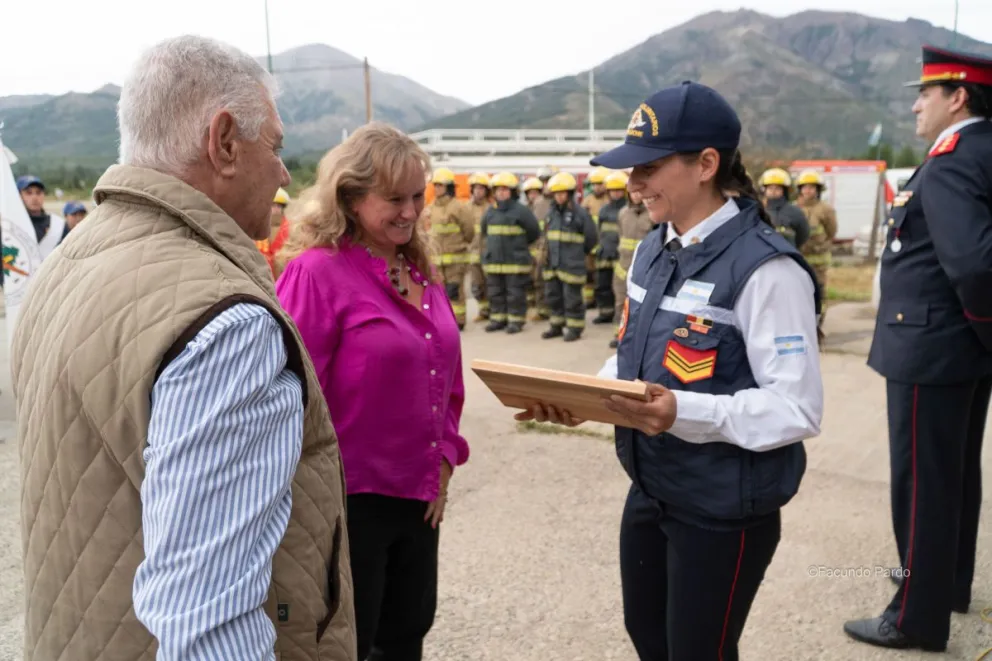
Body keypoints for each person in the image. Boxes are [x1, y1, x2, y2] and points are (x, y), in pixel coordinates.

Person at [10, 35, 357, 661]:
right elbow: (209, 623)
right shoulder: (224, 322)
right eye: (274, 147)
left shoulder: (64, 267)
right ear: (224, 142)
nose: (283, 174)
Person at [516, 81, 824, 660]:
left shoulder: (767, 271)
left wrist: (681, 411)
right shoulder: (654, 248)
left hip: (721, 510)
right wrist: (584, 398)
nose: (632, 184)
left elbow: (797, 408)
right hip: (654, 487)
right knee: (649, 636)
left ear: (706, 164)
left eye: (649, 167)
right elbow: (631, 357)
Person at [274, 122, 470, 661]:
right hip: (348, 501)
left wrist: (445, 459)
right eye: (394, 199)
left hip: (419, 495)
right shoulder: (317, 274)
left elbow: (444, 379)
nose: (410, 211)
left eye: (416, 197)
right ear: (352, 198)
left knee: (407, 635)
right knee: (348, 643)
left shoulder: (419, 269)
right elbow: (287, 394)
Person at [844, 44, 992, 652]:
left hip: (932, 344)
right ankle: (945, 583)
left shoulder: (956, 157)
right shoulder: (982, 150)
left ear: (957, 98)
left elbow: (975, 265)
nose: (914, 106)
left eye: (924, 94)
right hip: (959, 346)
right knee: (953, 475)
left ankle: (915, 615)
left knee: (923, 484)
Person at [481, 171, 542, 334]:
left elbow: (534, 232)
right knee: (495, 292)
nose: (501, 193)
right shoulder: (490, 212)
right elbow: (484, 231)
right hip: (495, 262)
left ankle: (516, 321)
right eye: (498, 190)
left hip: (515, 262)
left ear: (512, 191)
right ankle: (498, 319)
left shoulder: (521, 211)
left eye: (505, 189)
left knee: (515, 293)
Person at [541, 171, 597, 342]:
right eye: (556, 194)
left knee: (573, 299)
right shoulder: (551, 214)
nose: (559, 197)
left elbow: (591, 238)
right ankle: (556, 325)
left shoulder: (580, 214)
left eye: (562, 193)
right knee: (554, 297)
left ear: (570, 194)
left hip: (572, 265)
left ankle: (574, 328)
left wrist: (577, 255)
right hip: (553, 265)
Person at [426, 167, 475, 329]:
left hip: (456, 258)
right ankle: (445, 321)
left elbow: (469, 230)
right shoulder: (431, 207)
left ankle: (458, 321)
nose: (437, 188)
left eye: (440, 185)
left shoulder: (458, 207)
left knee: (454, 291)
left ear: (448, 187)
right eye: (436, 185)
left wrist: (460, 245)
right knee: (440, 292)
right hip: (437, 260)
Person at [794, 169, 837, 333]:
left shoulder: (825, 210)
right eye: (805, 187)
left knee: (818, 294)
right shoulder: (794, 209)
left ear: (818, 190)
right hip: (799, 260)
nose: (808, 190)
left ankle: (817, 326)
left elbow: (831, 231)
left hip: (818, 263)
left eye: (812, 187)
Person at [610, 187, 653, 349]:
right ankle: (618, 334)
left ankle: (638, 336)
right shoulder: (623, 213)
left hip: (644, 268)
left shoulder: (652, 214)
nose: (635, 195)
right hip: (622, 267)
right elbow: (620, 237)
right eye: (632, 192)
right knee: (620, 302)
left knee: (640, 304)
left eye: (638, 192)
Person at [591, 170, 627, 325]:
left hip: (619, 255)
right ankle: (605, 313)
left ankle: (619, 316)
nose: (615, 193)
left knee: (619, 288)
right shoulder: (604, 210)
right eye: (613, 190)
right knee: (602, 285)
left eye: (618, 190)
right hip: (605, 253)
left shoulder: (627, 209)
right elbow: (599, 231)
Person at [16, 175, 69, 257]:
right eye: (28, 193)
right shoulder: (11, 224)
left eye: (38, 192)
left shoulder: (58, 225)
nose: (34, 197)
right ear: (19, 196)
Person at [759, 168, 810, 250]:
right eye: (770, 188)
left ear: (784, 191)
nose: (773, 191)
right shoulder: (758, 210)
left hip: (788, 255)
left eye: (777, 188)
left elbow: (803, 235)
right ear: (764, 190)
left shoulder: (795, 212)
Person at [581, 166, 610, 308]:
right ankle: (589, 300)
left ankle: (601, 301)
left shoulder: (609, 200)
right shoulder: (587, 200)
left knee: (602, 275)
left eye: (599, 184)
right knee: (589, 273)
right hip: (590, 241)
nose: (597, 187)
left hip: (604, 242)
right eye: (594, 184)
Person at [466, 172, 492, 322]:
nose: (478, 191)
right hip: (472, 252)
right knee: (477, 284)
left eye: (481, 188)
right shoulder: (465, 208)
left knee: (491, 283)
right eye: (476, 188)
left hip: (488, 252)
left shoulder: (490, 208)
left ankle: (492, 310)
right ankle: (483, 310)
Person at [522, 175, 550, 320]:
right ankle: (531, 306)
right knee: (528, 280)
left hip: (540, 250)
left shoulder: (543, 207)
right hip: (528, 250)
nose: (533, 196)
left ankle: (542, 309)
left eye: (535, 192)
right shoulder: (525, 209)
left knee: (540, 280)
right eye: (530, 193)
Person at [258, 186, 292, 278]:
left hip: (283, 279)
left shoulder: (291, 229)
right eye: (272, 205)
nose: (276, 209)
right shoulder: (256, 228)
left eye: (278, 206)